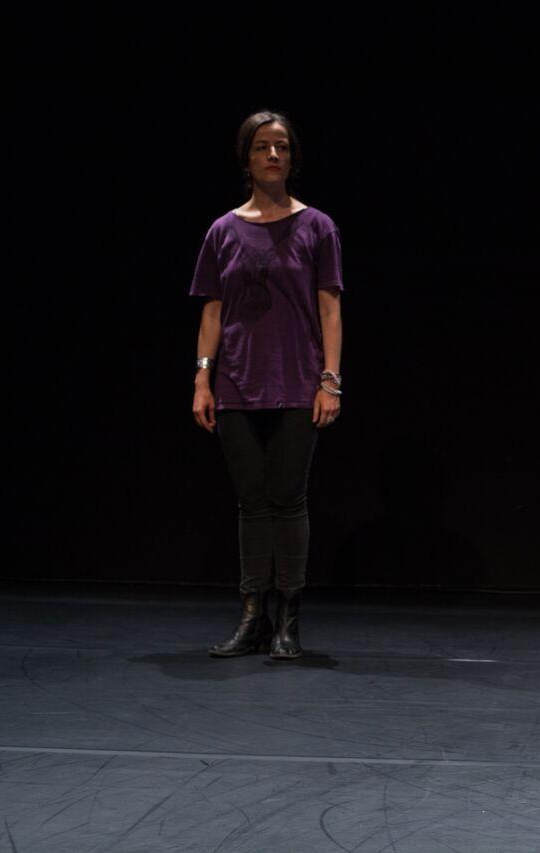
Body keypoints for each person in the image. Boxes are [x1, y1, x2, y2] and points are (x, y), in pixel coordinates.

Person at [190, 110, 345, 660]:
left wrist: (330, 380)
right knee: (251, 504)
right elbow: (212, 310)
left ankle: (289, 621)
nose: (272, 155)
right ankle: (253, 616)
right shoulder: (222, 231)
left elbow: (330, 310)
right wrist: (202, 378)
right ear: (247, 159)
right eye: (261, 147)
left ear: (293, 158)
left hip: (298, 383)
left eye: (281, 146)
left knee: (289, 499)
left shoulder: (318, 227)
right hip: (235, 383)